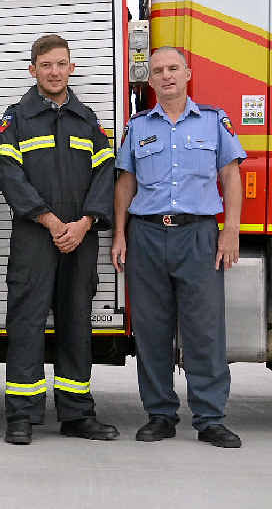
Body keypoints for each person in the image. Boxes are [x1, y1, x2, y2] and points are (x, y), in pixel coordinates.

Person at [111, 46, 245, 448]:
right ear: (149, 81)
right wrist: (120, 233)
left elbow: (230, 174)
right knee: (152, 330)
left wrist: (231, 229)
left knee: (204, 329)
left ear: (187, 74)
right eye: (158, 71)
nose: (166, 76)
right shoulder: (137, 127)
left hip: (198, 235)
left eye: (173, 69)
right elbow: (125, 183)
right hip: (147, 235)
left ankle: (210, 418)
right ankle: (160, 414)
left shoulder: (213, 121)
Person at [0, 34, 118, 445]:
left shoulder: (88, 119)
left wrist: (83, 223)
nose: (54, 71)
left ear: (72, 68)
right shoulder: (16, 119)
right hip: (34, 237)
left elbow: (106, 175)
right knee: (27, 324)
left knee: (76, 325)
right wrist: (50, 221)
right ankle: (22, 416)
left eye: (61, 64)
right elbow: (9, 174)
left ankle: (77, 414)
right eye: (46, 65)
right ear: (33, 69)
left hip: (80, 239)